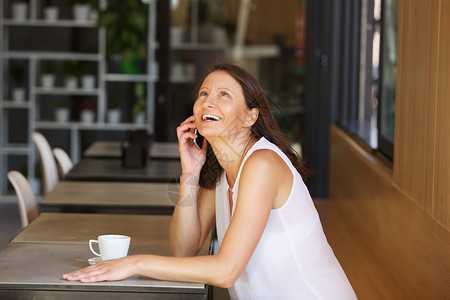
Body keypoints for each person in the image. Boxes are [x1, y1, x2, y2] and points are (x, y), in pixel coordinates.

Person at [63, 63, 356, 299]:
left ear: (249, 117)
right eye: (203, 94)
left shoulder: (263, 164)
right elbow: (184, 249)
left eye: (223, 95)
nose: (208, 102)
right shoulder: (221, 172)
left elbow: (226, 271)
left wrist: (135, 263)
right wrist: (190, 173)